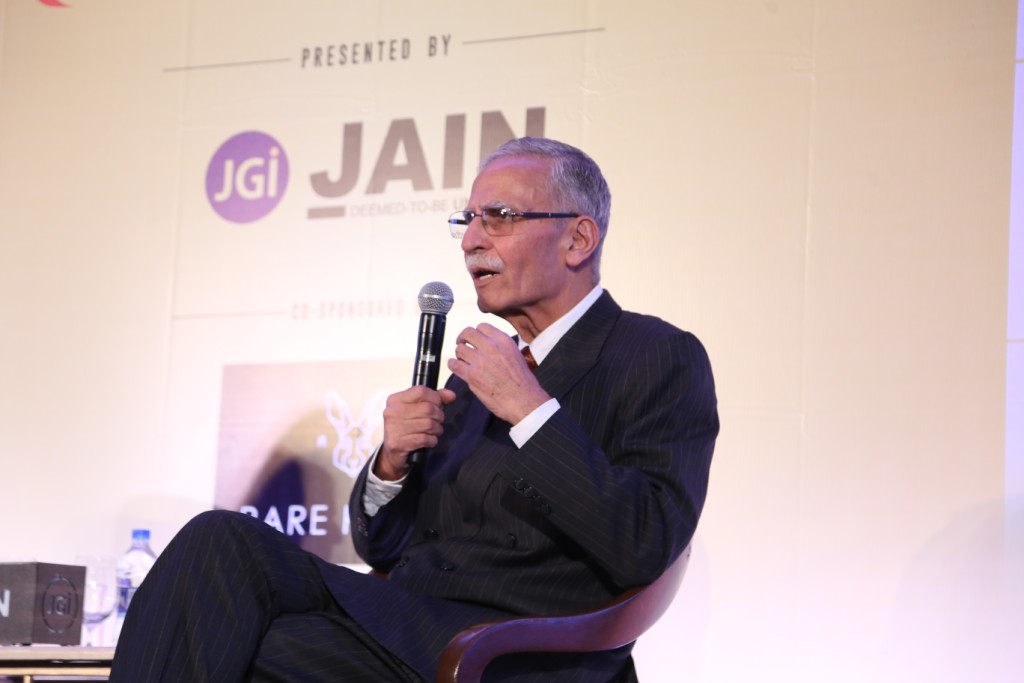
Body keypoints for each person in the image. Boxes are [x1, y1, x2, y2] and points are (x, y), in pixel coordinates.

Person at [109, 137, 719, 682]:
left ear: (578, 239)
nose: (473, 239)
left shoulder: (656, 355)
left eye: (500, 217)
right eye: (468, 220)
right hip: (405, 619)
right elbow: (382, 547)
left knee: (248, 646)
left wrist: (531, 411)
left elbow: (647, 541)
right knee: (221, 543)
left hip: (515, 650)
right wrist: (391, 466)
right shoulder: (480, 369)